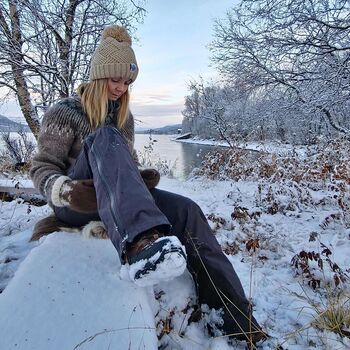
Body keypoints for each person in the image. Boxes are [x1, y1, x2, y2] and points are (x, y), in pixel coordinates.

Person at [30, 25, 266, 347]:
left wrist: (142, 176)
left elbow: (122, 166)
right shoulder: (65, 112)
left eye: (127, 82)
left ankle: (235, 323)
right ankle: (141, 244)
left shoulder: (124, 119)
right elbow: (42, 167)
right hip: (76, 202)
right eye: (116, 79)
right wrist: (65, 190)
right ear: (100, 76)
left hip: (115, 202)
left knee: (188, 211)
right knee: (105, 136)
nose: (121, 88)